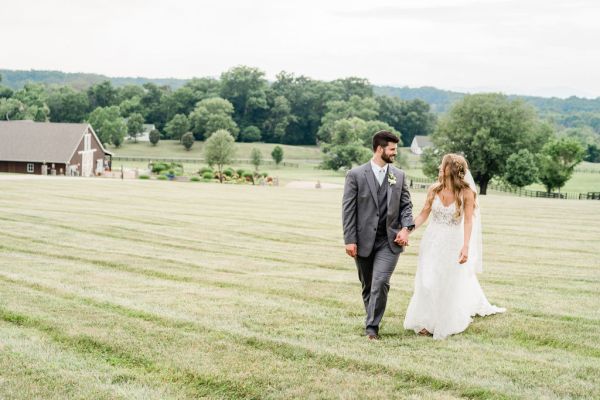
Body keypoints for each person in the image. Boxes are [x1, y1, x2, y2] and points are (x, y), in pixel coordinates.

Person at [403, 154, 506, 340]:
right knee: (426, 281)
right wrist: (406, 231)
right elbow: (422, 215)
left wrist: (466, 246)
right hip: (432, 241)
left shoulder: (466, 193)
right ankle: (425, 321)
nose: (439, 168)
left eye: (442, 165)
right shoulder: (434, 189)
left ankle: (442, 322)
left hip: (453, 242)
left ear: (449, 169)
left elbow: (468, 222)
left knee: (446, 283)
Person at [342, 130, 414, 340]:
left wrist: (406, 228)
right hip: (363, 240)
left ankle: (372, 327)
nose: (395, 153)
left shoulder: (399, 176)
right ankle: (372, 317)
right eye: (392, 149)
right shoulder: (355, 175)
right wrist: (350, 239)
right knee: (368, 285)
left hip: (389, 241)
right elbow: (348, 210)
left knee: (380, 282)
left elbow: (406, 206)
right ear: (379, 149)